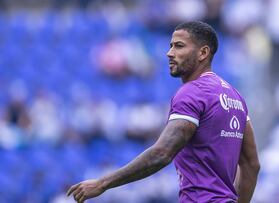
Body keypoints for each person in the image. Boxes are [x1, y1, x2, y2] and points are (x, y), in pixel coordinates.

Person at [67, 21, 260, 203]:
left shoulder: (193, 93)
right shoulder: (236, 98)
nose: (169, 53)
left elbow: (162, 152)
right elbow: (252, 165)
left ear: (203, 53)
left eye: (179, 46)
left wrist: (103, 183)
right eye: (171, 46)